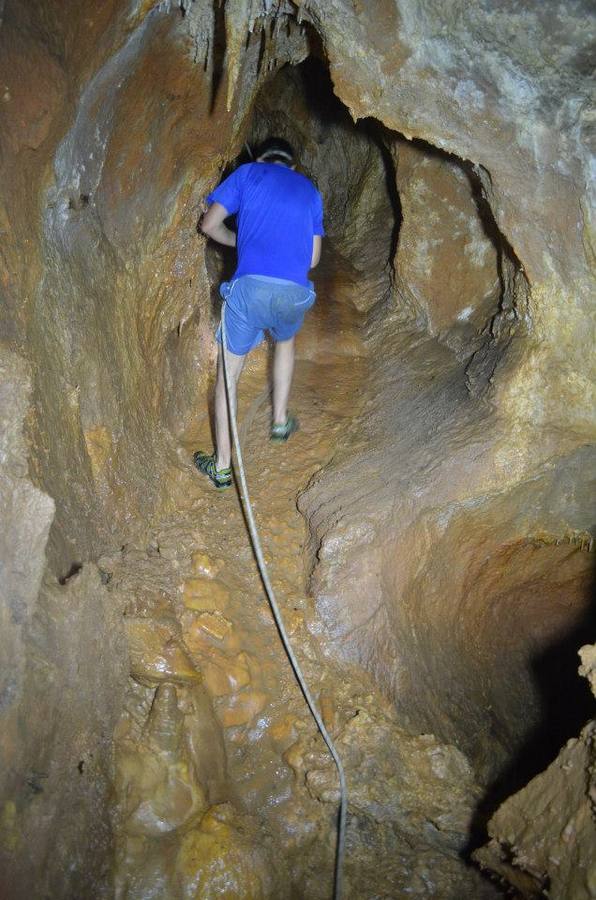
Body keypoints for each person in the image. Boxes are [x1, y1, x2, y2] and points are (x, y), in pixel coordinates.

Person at [194, 137, 324, 489]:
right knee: (285, 342)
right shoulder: (310, 191)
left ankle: (222, 466)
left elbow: (209, 225)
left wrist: (240, 241)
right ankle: (280, 421)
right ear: (292, 166)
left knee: (228, 375)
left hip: (250, 290)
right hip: (294, 293)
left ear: (262, 158)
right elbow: (313, 259)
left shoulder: (248, 173)